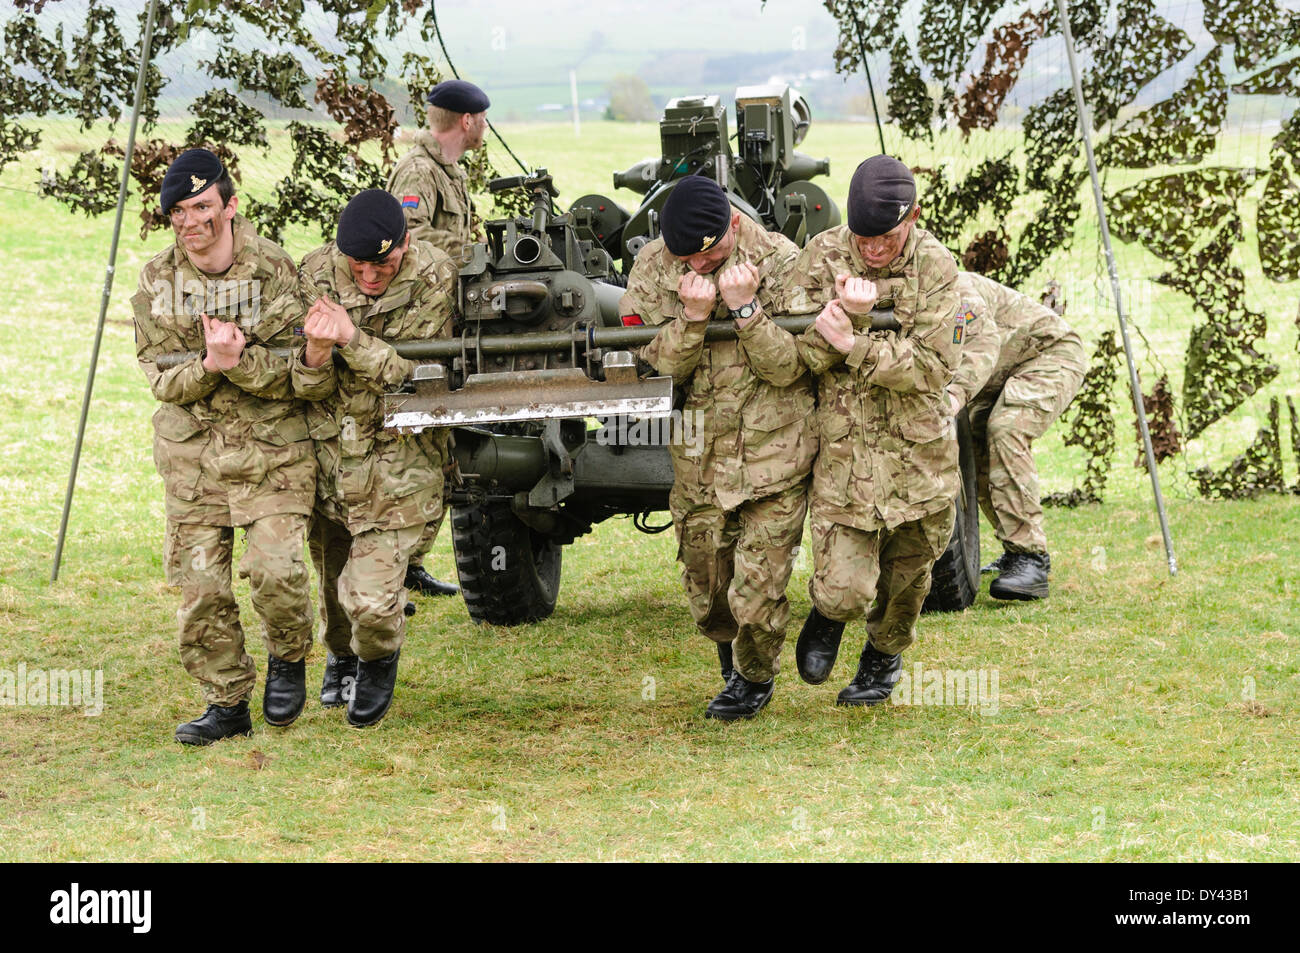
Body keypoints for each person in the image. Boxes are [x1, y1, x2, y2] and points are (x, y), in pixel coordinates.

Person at [132, 148, 315, 745]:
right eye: (179, 211)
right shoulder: (158, 279)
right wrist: (212, 365)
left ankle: (288, 661)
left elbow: (303, 371)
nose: (191, 222)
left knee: (276, 572)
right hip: (195, 460)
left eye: (203, 206)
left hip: (272, 454)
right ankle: (227, 701)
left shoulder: (275, 270)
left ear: (230, 206)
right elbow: (162, 378)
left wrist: (239, 365)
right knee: (200, 590)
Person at [623, 175, 812, 721]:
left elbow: (790, 366)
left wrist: (747, 311)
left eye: (711, 254)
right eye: (689, 257)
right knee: (709, 590)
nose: (700, 265)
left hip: (772, 452)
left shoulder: (780, 260)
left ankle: (753, 678)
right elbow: (653, 369)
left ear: (733, 223)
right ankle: (731, 660)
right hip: (698, 455)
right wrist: (693, 319)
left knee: (757, 592)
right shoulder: (654, 269)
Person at [785, 154, 962, 706]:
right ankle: (830, 612)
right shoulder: (822, 255)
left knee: (908, 581)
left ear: (912, 218)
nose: (873, 249)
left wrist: (853, 344)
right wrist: (839, 322)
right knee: (846, 588)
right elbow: (796, 357)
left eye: (885, 237)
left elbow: (932, 368)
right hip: (847, 453)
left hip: (919, 455)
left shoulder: (937, 268)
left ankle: (882, 657)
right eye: (863, 237)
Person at [293, 190, 458, 728]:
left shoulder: (433, 275)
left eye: (381, 264)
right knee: (331, 573)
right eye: (356, 265)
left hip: (399, 460)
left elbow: (416, 376)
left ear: (405, 243)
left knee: (368, 596)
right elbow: (305, 383)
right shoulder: (315, 271)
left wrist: (348, 338)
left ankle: (376, 658)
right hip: (330, 454)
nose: (367, 276)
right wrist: (316, 355)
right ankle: (341, 657)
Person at [385, 78, 491, 599]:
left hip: (446, 313)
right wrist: (475, 251)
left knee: (442, 445)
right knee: (421, 445)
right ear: (467, 121)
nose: (485, 127)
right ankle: (395, 566)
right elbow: (406, 239)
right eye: (483, 119)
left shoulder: (446, 169)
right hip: (419, 322)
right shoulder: (418, 170)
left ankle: (409, 563)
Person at [946, 271, 1086, 600]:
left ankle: (1031, 558)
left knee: (1006, 428)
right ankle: (1014, 549)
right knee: (976, 447)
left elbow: (979, 347)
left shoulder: (955, 291)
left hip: (1049, 355)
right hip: (999, 371)